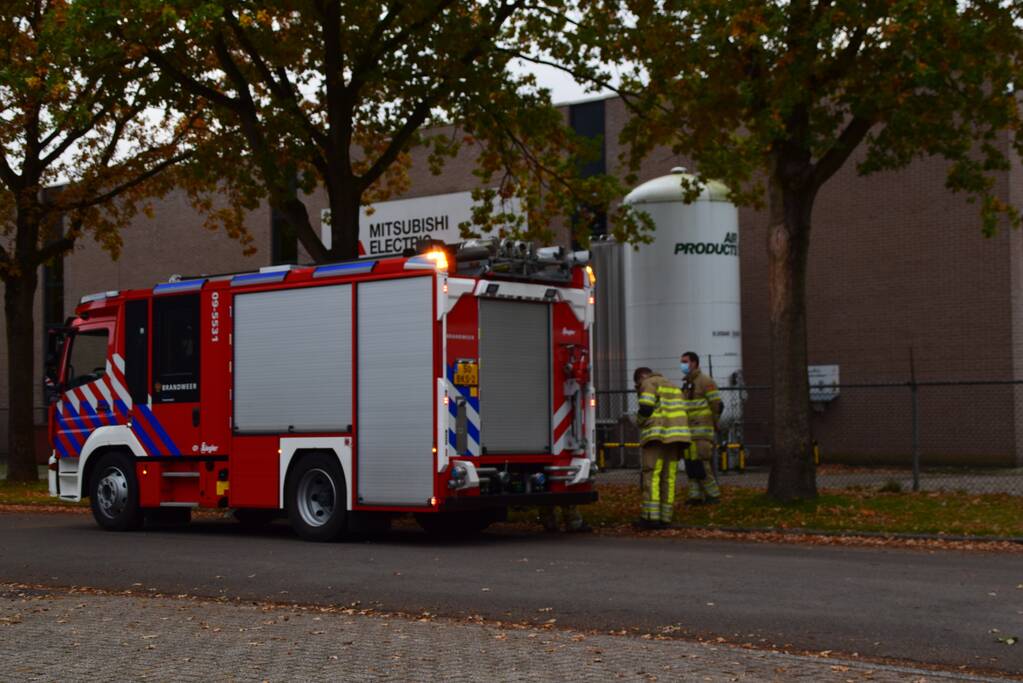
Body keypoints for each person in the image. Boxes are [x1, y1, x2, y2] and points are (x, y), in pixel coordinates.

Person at [633, 366, 691, 529]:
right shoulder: (672, 385)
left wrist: (638, 421)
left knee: (652, 474)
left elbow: (645, 408)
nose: (639, 387)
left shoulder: (648, 383)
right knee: (669, 477)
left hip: (657, 437)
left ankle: (650, 517)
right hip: (676, 438)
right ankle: (666, 517)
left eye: (637, 383)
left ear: (641, 377)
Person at [679, 351, 723, 505]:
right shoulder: (686, 384)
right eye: (682, 362)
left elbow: (716, 404)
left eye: (685, 361)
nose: (682, 365)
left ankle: (713, 495)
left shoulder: (705, 381)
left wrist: (714, 423)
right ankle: (695, 496)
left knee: (702, 465)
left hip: (702, 432)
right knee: (691, 466)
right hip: (689, 434)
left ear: (695, 363)